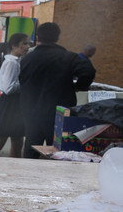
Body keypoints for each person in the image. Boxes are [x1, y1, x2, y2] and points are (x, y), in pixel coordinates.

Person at [19, 23, 95, 158]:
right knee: (59, 151)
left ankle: (27, 176)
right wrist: (79, 86)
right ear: (57, 37)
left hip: (32, 111)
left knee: (31, 147)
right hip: (59, 114)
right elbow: (88, 71)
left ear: (37, 37)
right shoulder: (68, 57)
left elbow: (22, 83)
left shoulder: (27, 59)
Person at [0, 33, 32, 158]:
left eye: (29, 43)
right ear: (14, 45)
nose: (27, 46)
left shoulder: (16, 61)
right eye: (24, 43)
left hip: (14, 104)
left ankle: (14, 168)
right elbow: (8, 88)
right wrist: (26, 84)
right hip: (10, 104)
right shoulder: (12, 63)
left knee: (17, 140)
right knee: (1, 139)